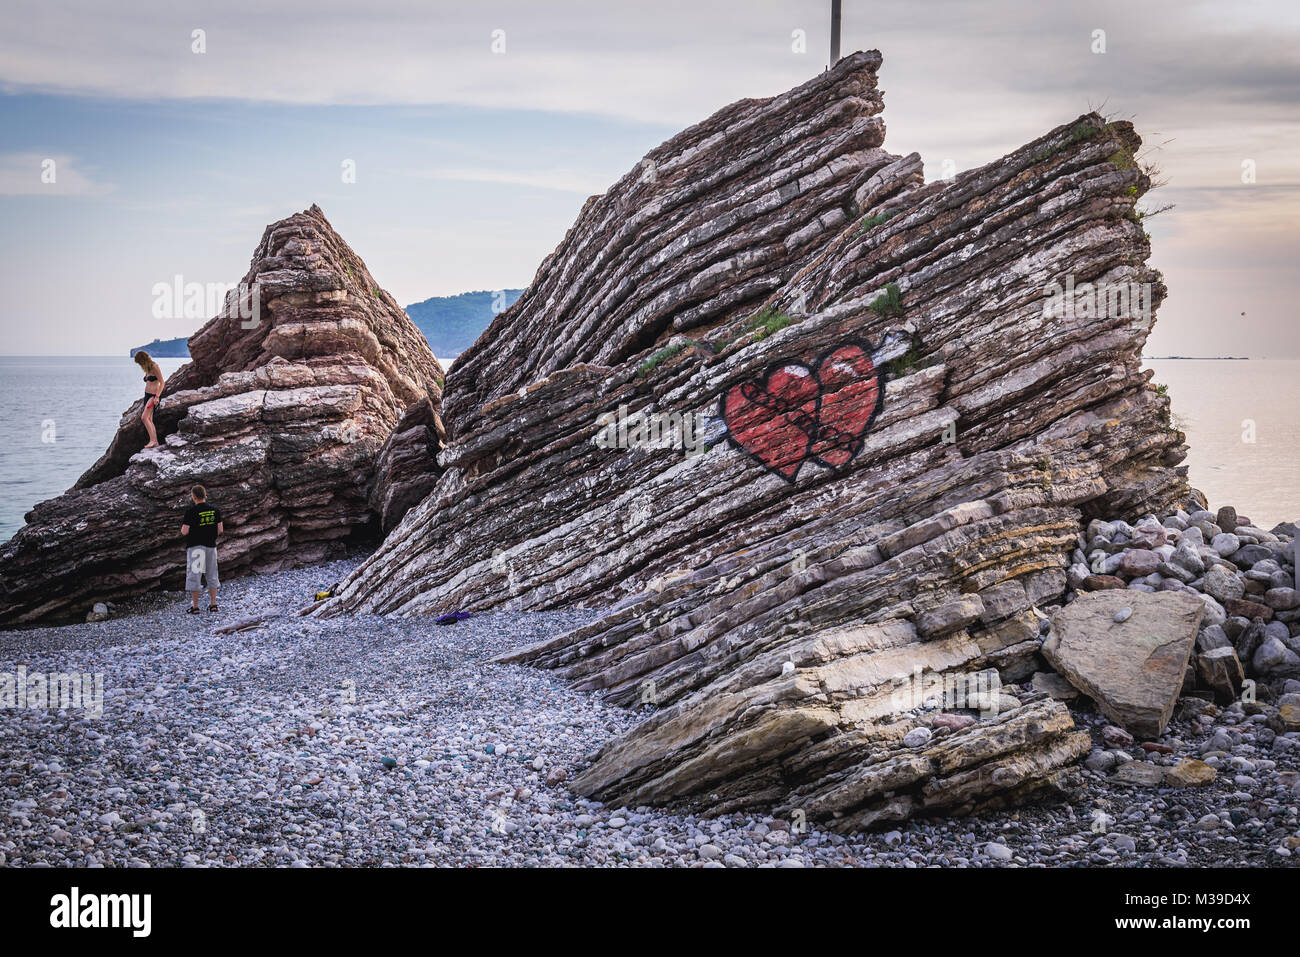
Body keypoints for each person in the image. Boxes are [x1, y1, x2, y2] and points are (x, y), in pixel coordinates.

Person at [181, 485, 223, 614]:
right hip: (210, 546)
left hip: (195, 547)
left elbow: (184, 531)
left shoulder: (191, 511)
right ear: (205, 495)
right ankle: (213, 604)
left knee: (195, 576)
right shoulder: (215, 510)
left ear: (193, 497)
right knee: (212, 575)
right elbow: (220, 530)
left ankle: (195, 606)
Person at [133, 350, 165, 448]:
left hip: (153, 395)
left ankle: (153, 441)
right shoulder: (147, 368)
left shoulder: (154, 366)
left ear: (143, 360)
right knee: (150, 419)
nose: (140, 365)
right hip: (147, 395)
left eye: (140, 362)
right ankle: (155, 442)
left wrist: (157, 397)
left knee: (144, 417)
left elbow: (162, 382)